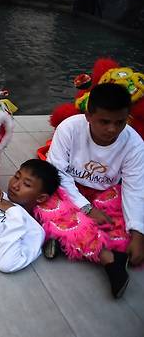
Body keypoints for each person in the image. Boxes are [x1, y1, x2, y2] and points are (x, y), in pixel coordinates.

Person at [39, 82, 144, 299]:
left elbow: (134, 188)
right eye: (104, 121)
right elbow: (57, 172)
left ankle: (62, 237)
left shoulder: (134, 144)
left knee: (125, 220)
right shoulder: (69, 128)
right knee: (41, 196)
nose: (112, 129)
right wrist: (86, 208)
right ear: (88, 116)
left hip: (107, 194)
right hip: (68, 189)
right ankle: (110, 260)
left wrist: (137, 233)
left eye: (120, 122)